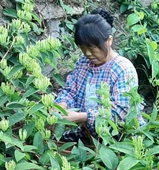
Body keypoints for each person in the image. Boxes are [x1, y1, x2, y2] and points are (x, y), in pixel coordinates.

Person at [55, 8, 144, 142]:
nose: (87, 53)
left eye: (92, 48)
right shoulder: (83, 62)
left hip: (118, 136)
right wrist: (61, 106)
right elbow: (70, 91)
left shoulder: (122, 69)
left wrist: (83, 117)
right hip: (88, 132)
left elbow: (120, 113)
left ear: (109, 40)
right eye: (83, 48)